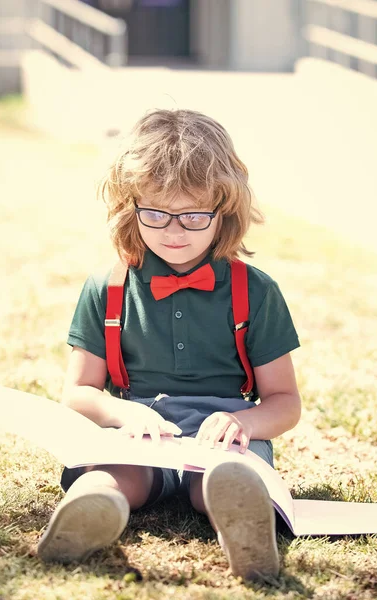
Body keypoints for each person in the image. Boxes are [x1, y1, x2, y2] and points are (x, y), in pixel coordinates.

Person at [37, 109, 302, 580]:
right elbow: (79, 392)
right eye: (156, 213)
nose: (174, 232)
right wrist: (125, 414)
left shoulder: (256, 292)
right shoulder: (107, 287)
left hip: (223, 439)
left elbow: (284, 403)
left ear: (225, 211)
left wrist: (239, 421)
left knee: (223, 479)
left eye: (194, 216)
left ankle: (241, 527)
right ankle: (89, 512)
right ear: (129, 205)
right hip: (140, 432)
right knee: (117, 476)